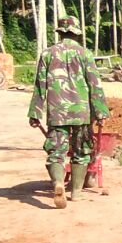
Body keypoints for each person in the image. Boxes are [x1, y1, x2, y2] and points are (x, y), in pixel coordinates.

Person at [27, 16, 110, 209]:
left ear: (60, 32)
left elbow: (40, 85)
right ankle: (76, 193)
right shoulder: (85, 54)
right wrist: (101, 112)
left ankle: (57, 183)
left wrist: (35, 112)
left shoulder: (47, 54)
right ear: (76, 33)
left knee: (56, 152)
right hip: (82, 112)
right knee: (81, 151)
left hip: (57, 112)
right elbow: (94, 85)